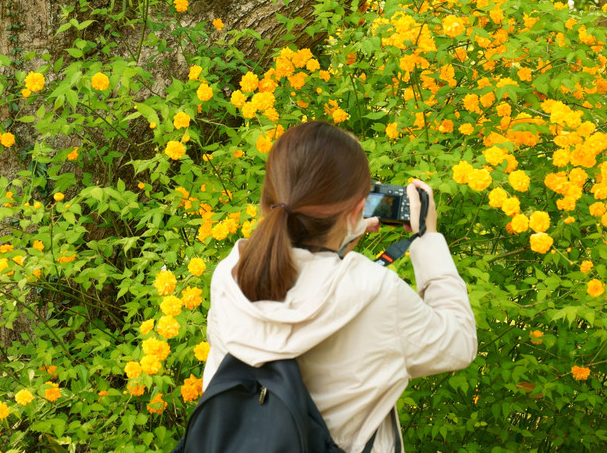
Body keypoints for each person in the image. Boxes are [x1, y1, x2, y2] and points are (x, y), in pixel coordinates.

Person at [203, 121, 477, 453]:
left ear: (270, 197)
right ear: (356, 212)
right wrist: (428, 239)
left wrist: (334, 250)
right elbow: (459, 343)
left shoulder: (231, 274)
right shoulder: (375, 293)